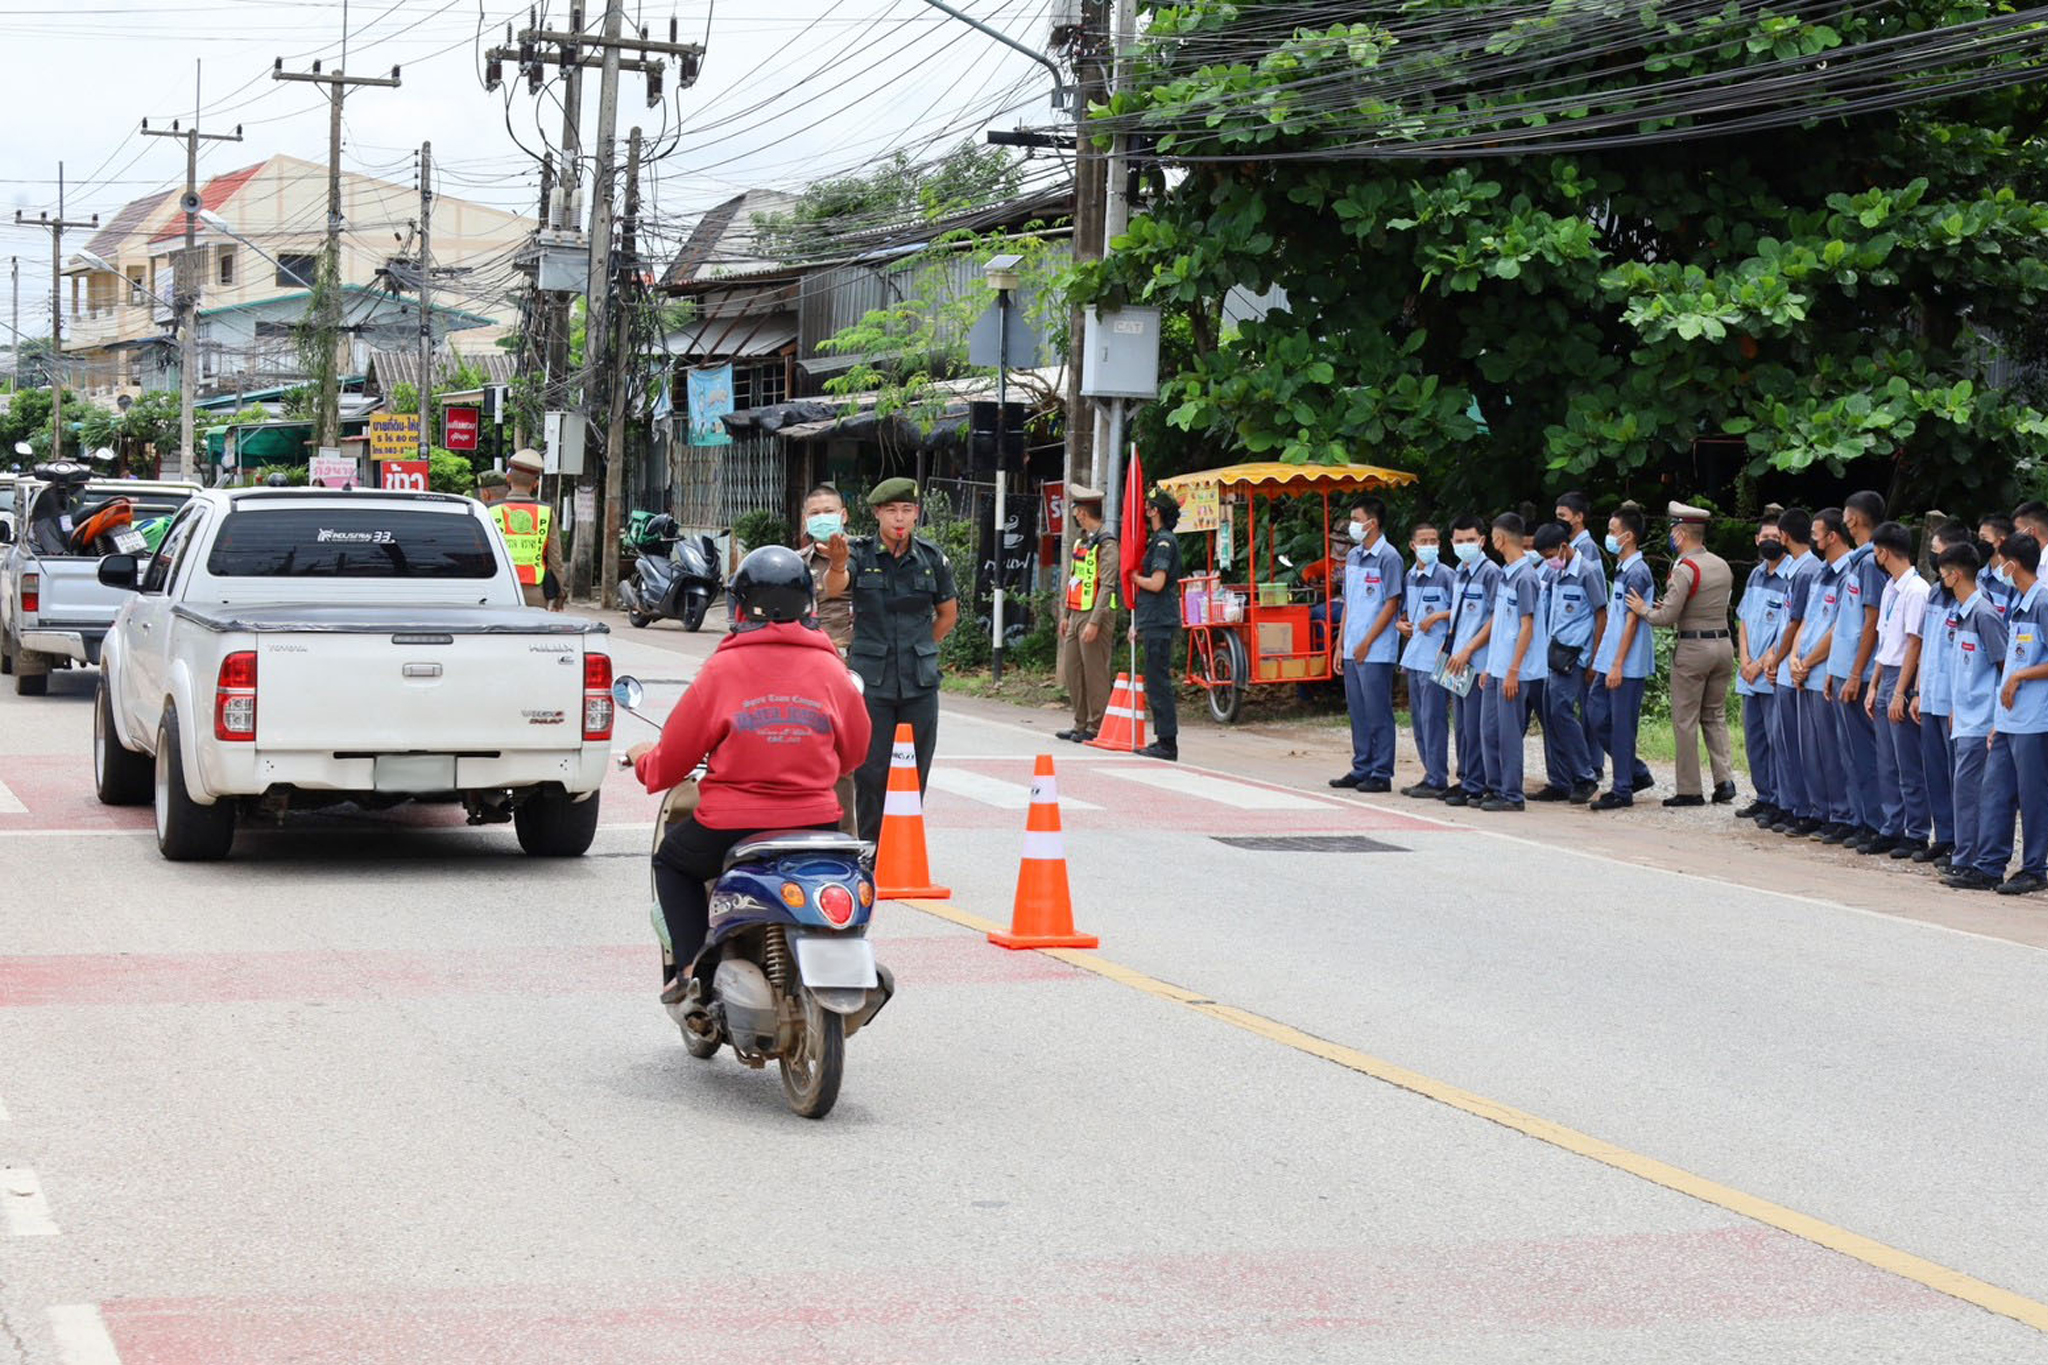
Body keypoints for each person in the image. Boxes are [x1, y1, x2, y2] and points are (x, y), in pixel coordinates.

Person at [627, 547, 872, 1002]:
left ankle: (689, 970)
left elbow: (672, 763)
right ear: (809, 607)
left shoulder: (722, 669)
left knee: (673, 863)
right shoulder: (831, 668)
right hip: (815, 823)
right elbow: (855, 752)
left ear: (739, 608)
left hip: (730, 824)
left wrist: (645, 760)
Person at [822, 478, 960, 846]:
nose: (900, 519)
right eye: (891, 511)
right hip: (873, 680)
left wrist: (920, 647)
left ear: (916, 514)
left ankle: (903, 846)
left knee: (916, 769)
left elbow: (947, 615)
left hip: (919, 679)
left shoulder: (932, 558)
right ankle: (871, 846)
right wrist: (836, 565)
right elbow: (836, 586)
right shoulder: (860, 553)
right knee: (871, 770)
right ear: (877, 514)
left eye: (907, 510)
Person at [1624, 501, 1735, 808]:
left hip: (1693, 649)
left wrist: (1643, 610)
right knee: (1715, 715)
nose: (1672, 537)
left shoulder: (1685, 569)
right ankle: (1724, 780)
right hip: (1723, 645)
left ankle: (1689, 789)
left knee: (1685, 719)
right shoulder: (1721, 564)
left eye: (1674, 531)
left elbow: (1667, 617)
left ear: (1682, 533)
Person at [1975, 532, 2048, 895]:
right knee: (1996, 791)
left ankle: (2035, 867)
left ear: (2012, 564)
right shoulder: (2018, 602)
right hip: (2008, 718)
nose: (1997, 568)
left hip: (2035, 719)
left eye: (2000, 561)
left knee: (2033, 796)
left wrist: (2020, 675)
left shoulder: (2043, 602)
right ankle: (1988, 865)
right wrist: (1996, 719)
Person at [1939, 542, 2007, 890]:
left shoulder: (1984, 613)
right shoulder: (1963, 612)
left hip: (1981, 720)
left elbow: (2002, 666)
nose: (1942, 579)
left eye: (1943, 572)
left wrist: (1997, 718)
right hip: (1963, 717)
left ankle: (1971, 859)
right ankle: (1965, 856)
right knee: (1962, 789)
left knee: (1972, 791)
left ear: (1956, 574)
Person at [1864, 521, 1931, 859]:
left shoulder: (1916, 590)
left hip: (1902, 675)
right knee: (1886, 759)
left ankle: (1917, 831)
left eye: (1876, 550)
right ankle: (1892, 826)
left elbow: (1913, 645)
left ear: (1884, 551)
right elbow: (1885, 639)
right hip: (1886, 670)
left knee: (1907, 760)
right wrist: (1874, 685)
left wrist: (1899, 692)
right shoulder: (1891, 587)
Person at [1908, 520, 1972, 867]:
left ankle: (1963, 843)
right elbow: (1926, 646)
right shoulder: (1935, 593)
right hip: (1930, 696)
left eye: (1937, 553)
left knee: (1956, 776)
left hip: (1956, 703)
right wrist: (1917, 691)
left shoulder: (1973, 600)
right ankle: (1944, 835)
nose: (1934, 560)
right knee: (1934, 771)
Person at [1331, 496, 1405, 792]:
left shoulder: (1389, 557)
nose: (1353, 525)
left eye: (1357, 519)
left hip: (1375, 649)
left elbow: (1392, 604)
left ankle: (1381, 771)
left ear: (1372, 523)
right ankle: (1361, 765)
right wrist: (1341, 644)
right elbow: (1348, 603)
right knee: (1358, 710)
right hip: (1352, 646)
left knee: (1377, 711)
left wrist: (1367, 642)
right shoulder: (1353, 557)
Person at [1790, 509, 1856, 842]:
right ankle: (1819, 811)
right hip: (1804, 671)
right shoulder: (1820, 573)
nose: (1813, 539)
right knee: (1810, 749)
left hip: (1823, 671)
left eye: (1817, 534)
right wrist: (1794, 657)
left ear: (1832, 536)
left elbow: (1839, 627)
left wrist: (1810, 661)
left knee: (1831, 749)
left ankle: (1841, 813)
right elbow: (1805, 620)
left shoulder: (1849, 574)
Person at [1588, 505, 1656, 810]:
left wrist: (1617, 664)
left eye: (1614, 532)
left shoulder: (1638, 572)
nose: (1610, 537)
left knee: (1621, 724)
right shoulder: (1623, 568)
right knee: (1596, 714)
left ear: (1628, 536)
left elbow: (1632, 621)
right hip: (1610, 659)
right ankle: (1635, 771)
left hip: (1625, 664)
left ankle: (1623, 788)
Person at [1829, 490, 1887, 847]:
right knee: (1849, 750)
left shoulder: (1870, 563)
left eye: (1848, 516)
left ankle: (1875, 822)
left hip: (1861, 673)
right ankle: (1858, 816)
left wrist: (1853, 673)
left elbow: (1872, 620)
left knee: (1864, 750)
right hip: (1845, 668)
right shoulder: (1858, 560)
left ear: (1855, 519)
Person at [1761, 509, 1824, 836]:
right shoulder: (1805, 569)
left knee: (1795, 745)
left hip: (1793, 668)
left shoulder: (1805, 572)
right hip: (1787, 664)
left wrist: (1777, 658)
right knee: (1784, 742)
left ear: (1784, 536)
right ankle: (1789, 805)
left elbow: (1796, 622)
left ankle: (1801, 807)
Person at [1476, 513, 1543, 811]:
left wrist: (1514, 669)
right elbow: (1501, 625)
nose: (1492, 542)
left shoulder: (1526, 577)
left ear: (1501, 539)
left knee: (1508, 733)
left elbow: (1526, 626)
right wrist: (1490, 666)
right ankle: (1495, 785)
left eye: (1492, 536)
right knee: (1489, 729)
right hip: (1498, 667)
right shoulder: (1506, 573)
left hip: (1515, 669)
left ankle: (1512, 794)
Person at [1535, 519, 1605, 803]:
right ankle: (1560, 779)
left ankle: (1585, 776)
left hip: (1576, 656)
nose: (1549, 562)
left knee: (1562, 711)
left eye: (1550, 556)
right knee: (1551, 714)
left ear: (1564, 548)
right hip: (1553, 654)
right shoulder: (1555, 574)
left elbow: (1602, 615)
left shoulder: (1587, 572)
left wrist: (1594, 660)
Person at [1734, 509, 1790, 825]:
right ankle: (1764, 796)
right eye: (1765, 537)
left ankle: (1781, 801)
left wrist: (1760, 663)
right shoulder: (1756, 575)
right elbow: (1743, 620)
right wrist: (1743, 660)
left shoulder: (1791, 578)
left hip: (1770, 672)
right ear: (1757, 540)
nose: (1769, 542)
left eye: (1775, 537)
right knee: (1754, 739)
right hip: (1748, 673)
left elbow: (1787, 629)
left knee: (1775, 739)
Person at [1441, 516, 1499, 809]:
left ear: (1482, 541)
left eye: (1469, 540)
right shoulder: (1460, 573)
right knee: (1462, 725)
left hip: (1476, 660)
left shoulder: (1490, 573)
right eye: (1458, 541)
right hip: (1457, 661)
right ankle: (1466, 778)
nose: (1464, 546)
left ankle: (1477, 783)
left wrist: (1469, 649)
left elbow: (1494, 619)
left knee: (1476, 725)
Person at [1396, 520, 1456, 798]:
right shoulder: (1409, 577)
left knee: (1434, 718)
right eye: (1424, 541)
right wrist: (1402, 624)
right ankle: (1429, 771)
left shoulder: (1446, 575)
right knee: (1419, 719)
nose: (1429, 546)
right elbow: (1407, 613)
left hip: (1437, 655)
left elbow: (1461, 611)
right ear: (1412, 545)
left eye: (1434, 541)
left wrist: (1438, 616)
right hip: (1415, 655)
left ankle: (1437, 776)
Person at [1057, 484, 1120, 744]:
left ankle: (1096, 725)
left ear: (1082, 512)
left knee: (1094, 672)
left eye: (1075, 510)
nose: (1073, 514)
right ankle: (1080, 723)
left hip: (1096, 614)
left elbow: (1107, 585)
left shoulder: (1107, 543)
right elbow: (1074, 578)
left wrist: (1095, 621)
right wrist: (1066, 614)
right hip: (1076, 614)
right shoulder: (1082, 541)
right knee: (1072, 669)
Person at [1130, 489, 1185, 762]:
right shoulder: (1158, 540)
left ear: (1155, 511)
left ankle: (1167, 743)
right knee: (1155, 679)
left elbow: (1156, 583)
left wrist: (1135, 578)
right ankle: (1163, 740)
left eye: (1148, 506)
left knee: (1159, 681)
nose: (1144, 509)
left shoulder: (1163, 542)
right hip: (1153, 619)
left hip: (1160, 620)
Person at [494, 448, 565, 611]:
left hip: (499, 589)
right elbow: (555, 557)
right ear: (535, 484)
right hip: (535, 592)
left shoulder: (491, 510)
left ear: (508, 477)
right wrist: (561, 592)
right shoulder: (545, 512)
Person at [796, 483, 855, 655]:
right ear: (806, 520)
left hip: (860, 655)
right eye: (815, 513)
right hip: (813, 652)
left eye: (829, 512)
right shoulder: (797, 563)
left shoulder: (865, 554)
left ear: (843, 516)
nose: (822, 518)